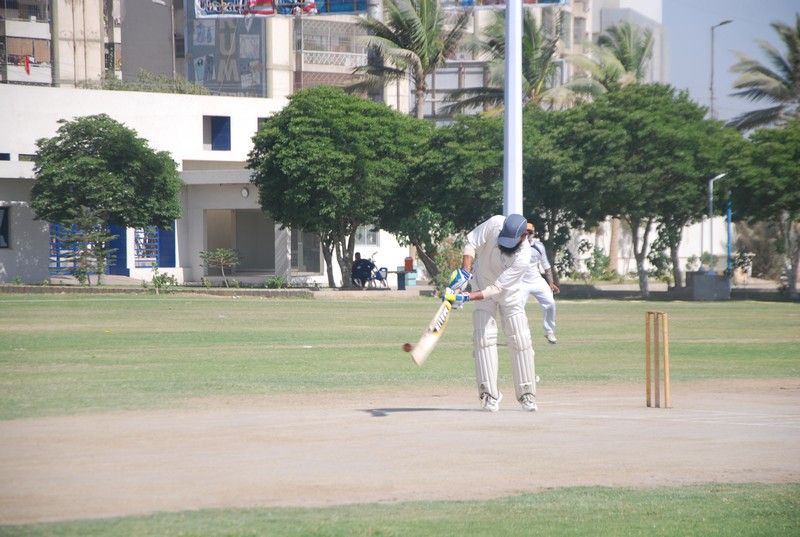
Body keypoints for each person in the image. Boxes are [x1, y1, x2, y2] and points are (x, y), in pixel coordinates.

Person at [445, 214, 538, 412]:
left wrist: (466, 297)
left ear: (523, 237)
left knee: (520, 339)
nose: (505, 245)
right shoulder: (495, 223)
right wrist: (464, 272)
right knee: (483, 337)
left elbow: (496, 289)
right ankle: (489, 394)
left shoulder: (524, 256)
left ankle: (526, 394)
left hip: (509, 293)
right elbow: (471, 243)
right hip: (481, 281)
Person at [522, 222, 560, 344]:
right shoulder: (514, 246)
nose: (527, 234)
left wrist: (551, 283)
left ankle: (549, 331)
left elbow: (546, 266)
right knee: (517, 308)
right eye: (525, 232)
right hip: (520, 282)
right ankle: (521, 334)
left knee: (550, 303)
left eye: (530, 232)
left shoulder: (539, 246)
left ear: (533, 233)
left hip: (536, 280)